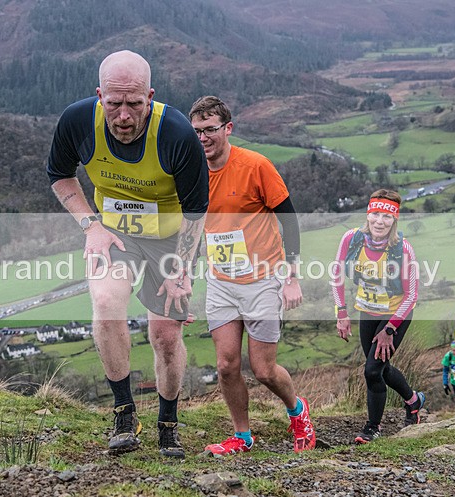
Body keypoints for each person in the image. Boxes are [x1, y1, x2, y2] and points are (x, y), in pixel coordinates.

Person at [46, 50, 209, 457]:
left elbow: (196, 211)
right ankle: (124, 411)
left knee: (166, 336)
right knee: (105, 301)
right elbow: (60, 175)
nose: (123, 116)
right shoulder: (77, 121)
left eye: (134, 104)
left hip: (172, 240)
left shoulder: (176, 134)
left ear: (150, 97)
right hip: (115, 233)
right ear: (98, 94)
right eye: (113, 103)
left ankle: (168, 421)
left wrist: (182, 269)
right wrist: (91, 225)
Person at [188, 96, 316, 455]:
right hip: (221, 281)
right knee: (227, 365)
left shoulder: (256, 165)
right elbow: (189, 229)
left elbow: (288, 219)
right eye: (196, 131)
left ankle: (297, 410)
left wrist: (291, 277)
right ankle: (242, 437)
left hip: (263, 279)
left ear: (227, 128)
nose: (202, 138)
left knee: (263, 370)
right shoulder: (191, 170)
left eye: (210, 130)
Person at [331, 189, 424, 444]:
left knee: (372, 370)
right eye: (375, 214)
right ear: (368, 214)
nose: (379, 221)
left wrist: (390, 329)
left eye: (386, 216)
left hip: (396, 313)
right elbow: (336, 274)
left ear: (395, 220)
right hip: (367, 311)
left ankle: (372, 428)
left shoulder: (403, 249)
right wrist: (341, 312)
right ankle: (414, 400)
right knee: (380, 369)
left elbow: (412, 295)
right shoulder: (352, 239)